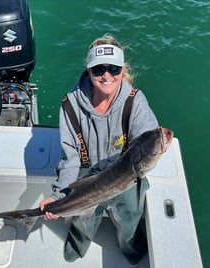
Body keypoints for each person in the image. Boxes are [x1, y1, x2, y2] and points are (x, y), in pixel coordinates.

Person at [40, 34, 158, 265]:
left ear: (123, 69)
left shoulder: (135, 101)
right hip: (87, 174)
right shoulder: (70, 105)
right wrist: (57, 194)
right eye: (99, 69)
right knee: (83, 220)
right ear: (88, 70)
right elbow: (71, 156)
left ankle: (130, 247)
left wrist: (156, 142)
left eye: (113, 69)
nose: (106, 75)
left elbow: (146, 138)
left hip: (124, 172)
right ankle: (77, 243)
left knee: (130, 215)